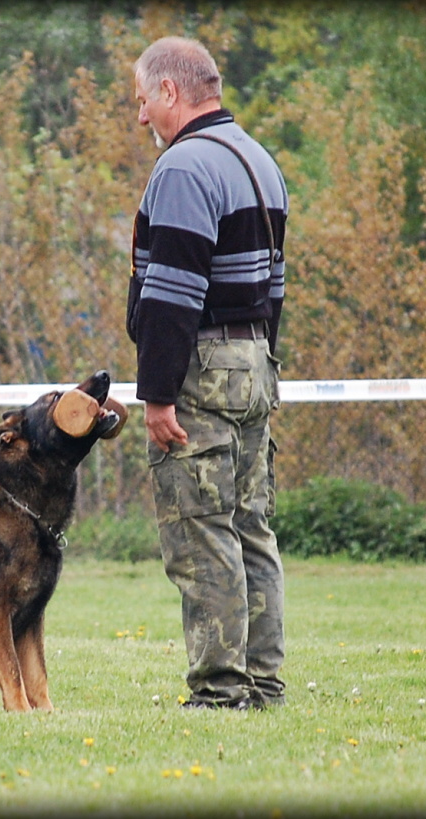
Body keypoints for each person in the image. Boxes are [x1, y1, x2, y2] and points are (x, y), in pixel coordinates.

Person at [127, 37, 289, 710]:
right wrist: (260, 360)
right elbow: (274, 284)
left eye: (142, 101)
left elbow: (171, 292)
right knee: (252, 526)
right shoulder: (260, 160)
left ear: (171, 91)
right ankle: (262, 680)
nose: (140, 118)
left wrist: (158, 393)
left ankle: (220, 688)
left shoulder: (184, 167)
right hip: (255, 361)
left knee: (202, 530)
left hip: (202, 368)